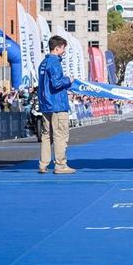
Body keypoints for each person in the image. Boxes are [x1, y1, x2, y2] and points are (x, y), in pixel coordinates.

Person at [37, 35, 76, 174]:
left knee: (47, 135)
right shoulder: (54, 62)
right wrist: (68, 80)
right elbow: (57, 83)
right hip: (57, 104)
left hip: (46, 104)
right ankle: (60, 165)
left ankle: (43, 164)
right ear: (57, 48)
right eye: (63, 48)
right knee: (60, 135)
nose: (64, 51)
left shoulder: (43, 63)